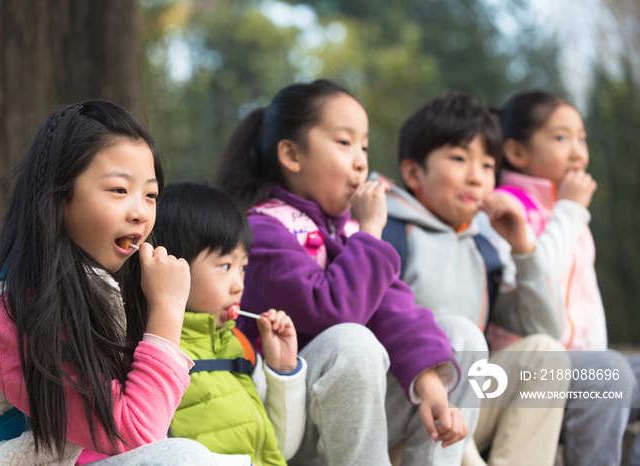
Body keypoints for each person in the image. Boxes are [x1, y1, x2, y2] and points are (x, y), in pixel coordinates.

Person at [217, 79, 480, 466]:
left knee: (461, 337)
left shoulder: (347, 232)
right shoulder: (263, 230)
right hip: (286, 425)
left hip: (347, 417)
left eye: (365, 146)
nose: (360, 160)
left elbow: (396, 309)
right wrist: (371, 233)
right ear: (292, 155)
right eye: (344, 143)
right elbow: (334, 310)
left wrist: (431, 384)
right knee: (351, 341)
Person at [0, 101, 216, 465]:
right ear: (60, 196)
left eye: (150, 194)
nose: (140, 212)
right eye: (119, 190)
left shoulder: (98, 290)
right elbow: (134, 433)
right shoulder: (15, 309)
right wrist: (167, 309)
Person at [377, 91, 570, 466]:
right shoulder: (386, 230)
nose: (475, 176)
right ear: (414, 172)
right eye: (459, 158)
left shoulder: (484, 249)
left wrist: (521, 246)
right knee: (455, 333)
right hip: (398, 413)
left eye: (486, 165)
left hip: (462, 416)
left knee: (545, 354)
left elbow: (547, 327)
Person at [495, 90, 635, 466]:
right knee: (608, 374)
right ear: (517, 153)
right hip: (527, 367)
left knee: (613, 369)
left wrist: (605, 358)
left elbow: (589, 304)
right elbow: (535, 287)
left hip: (581, 363)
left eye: (581, 137)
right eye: (561, 137)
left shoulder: (565, 212)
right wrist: (570, 212)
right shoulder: (504, 209)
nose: (577, 151)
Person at [151, 182, 306, 466]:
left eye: (243, 267)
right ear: (174, 264)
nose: (238, 285)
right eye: (225, 266)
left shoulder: (241, 349)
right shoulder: (156, 353)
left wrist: (282, 370)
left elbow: (282, 447)